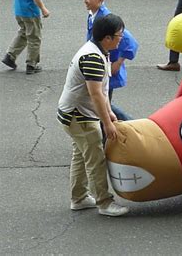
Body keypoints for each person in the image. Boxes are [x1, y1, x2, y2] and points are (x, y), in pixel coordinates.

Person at [57, 14, 129, 217]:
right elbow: (95, 93)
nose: (121, 39)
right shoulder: (93, 57)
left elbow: (102, 91)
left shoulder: (98, 51)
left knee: (81, 155)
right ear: (107, 38)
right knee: (95, 157)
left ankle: (78, 198)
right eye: (118, 35)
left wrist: (110, 113)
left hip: (74, 112)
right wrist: (107, 123)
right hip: (79, 116)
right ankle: (104, 202)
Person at [84, 0, 139, 121]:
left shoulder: (105, 19)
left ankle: (128, 123)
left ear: (100, 0)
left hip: (107, 68)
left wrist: (118, 63)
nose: (85, 1)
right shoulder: (93, 14)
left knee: (101, 103)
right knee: (101, 102)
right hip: (100, 65)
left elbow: (130, 42)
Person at [2, 0, 50, 74]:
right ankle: (31, 64)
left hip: (19, 10)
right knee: (34, 38)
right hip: (30, 11)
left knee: (23, 32)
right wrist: (43, 8)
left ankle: (10, 56)